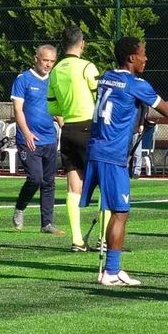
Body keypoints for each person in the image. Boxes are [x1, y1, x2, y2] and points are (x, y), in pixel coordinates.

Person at [82, 37, 168, 286]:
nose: (146, 58)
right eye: (143, 54)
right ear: (131, 58)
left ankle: (113, 269)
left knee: (116, 211)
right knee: (121, 212)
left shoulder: (107, 76)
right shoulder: (136, 84)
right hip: (112, 154)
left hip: (97, 147)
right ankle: (111, 271)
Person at [47, 25, 100, 252]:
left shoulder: (55, 71)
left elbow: (52, 107)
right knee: (105, 182)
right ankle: (104, 238)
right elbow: (101, 98)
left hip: (68, 129)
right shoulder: (88, 67)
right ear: (82, 44)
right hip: (89, 128)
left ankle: (77, 240)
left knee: (72, 185)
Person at [11, 45, 63, 235]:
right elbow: (18, 110)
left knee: (48, 181)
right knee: (35, 178)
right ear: (36, 59)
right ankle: (20, 207)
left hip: (49, 138)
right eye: (45, 60)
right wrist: (26, 133)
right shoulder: (23, 79)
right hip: (29, 139)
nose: (48, 64)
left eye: (52, 61)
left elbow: (57, 109)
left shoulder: (54, 80)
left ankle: (47, 223)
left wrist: (65, 127)